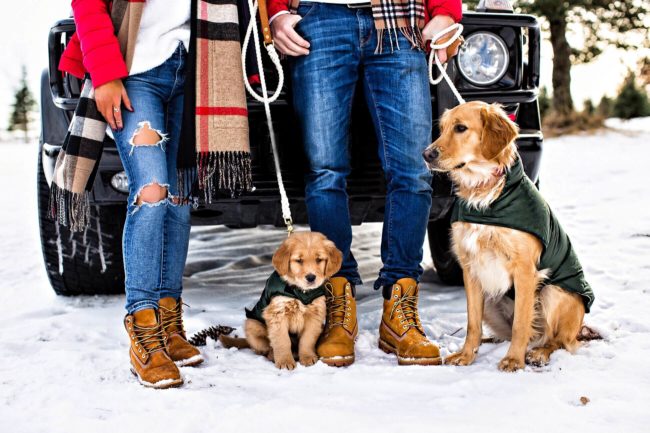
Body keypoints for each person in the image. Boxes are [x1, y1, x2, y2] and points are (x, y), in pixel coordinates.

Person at [56, 0, 251, 388]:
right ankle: (143, 328)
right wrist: (105, 74)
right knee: (151, 193)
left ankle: (168, 321)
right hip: (134, 70)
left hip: (194, 68)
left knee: (179, 201)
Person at [266, 0, 463, 366]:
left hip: (400, 17)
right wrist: (275, 12)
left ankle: (399, 310)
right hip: (318, 16)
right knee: (325, 171)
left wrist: (447, 10)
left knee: (414, 171)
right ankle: (337, 308)